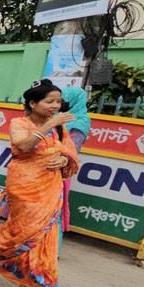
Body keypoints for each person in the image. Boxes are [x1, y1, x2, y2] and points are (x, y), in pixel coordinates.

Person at [0, 79, 78, 287]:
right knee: (20, 231)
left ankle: (28, 282)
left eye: (58, 101)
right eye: (49, 101)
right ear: (33, 103)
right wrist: (47, 125)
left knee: (43, 237)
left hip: (50, 187)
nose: (55, 105)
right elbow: (23, 146)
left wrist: (64, 159)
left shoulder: (60, 128)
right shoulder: (19, 123)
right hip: (24, 186)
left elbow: (70, 153)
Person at [61, 86, 90, 233]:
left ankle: (50, 250)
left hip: (62, 168)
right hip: (45, 164)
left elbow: (72, 149)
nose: (62, 103)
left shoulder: (81, 122)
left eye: (65, 100)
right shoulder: (60, 117)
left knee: (53, 209)